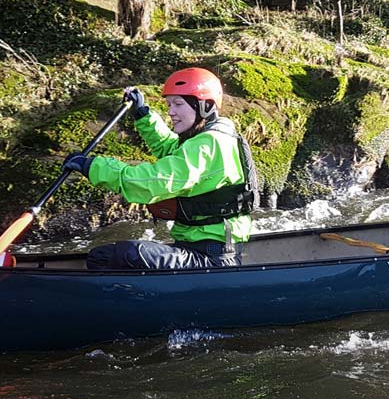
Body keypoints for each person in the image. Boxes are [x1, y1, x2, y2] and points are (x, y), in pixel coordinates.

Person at [64, 67, 259, 269]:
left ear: (205, 106)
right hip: (202, 248)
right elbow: (169, 147)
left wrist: (93, 166)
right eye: (169, 104)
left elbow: (153, 183)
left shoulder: (208, 144)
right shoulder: (208, 135)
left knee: (105, 257)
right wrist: (142, 115)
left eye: (178, 104)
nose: (171, 111)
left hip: (210, 259)